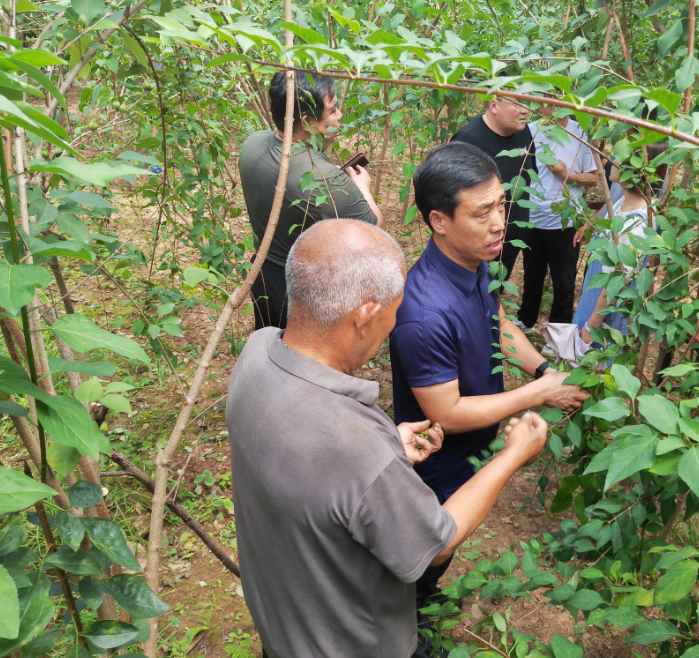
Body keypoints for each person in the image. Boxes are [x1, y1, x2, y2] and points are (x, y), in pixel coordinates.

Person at [227, 219, 548, 658]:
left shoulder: (256, 353)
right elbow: (439, 542)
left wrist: (389, 446)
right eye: (393, 314)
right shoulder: (358, 452)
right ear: (365, 316)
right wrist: (513, 454)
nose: (394, 326)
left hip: (283, 630)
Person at [389, 143, 590, 619]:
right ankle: (404, 622)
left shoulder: (470, 265)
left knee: (441, 553)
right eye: (482, 213)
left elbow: (496, 321)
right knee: (427, 548)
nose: (500, 222)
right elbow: (446, 413)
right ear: (439, 220)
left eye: (500, 205)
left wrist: (542, 370)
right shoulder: (423, 314)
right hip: (437, 460)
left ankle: (420, 598)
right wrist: (541, 392)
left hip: (473, 446)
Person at [238, 71, 384, 330]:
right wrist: (362, 187)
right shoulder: (322, 180)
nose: (340, 116)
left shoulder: (252, 143)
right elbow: (373, 227)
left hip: (261, 274)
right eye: (333, 110)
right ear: (306, 122)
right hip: (302, 290)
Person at [521, 105, 600, 355]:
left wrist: (568, 176)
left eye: (558, 99)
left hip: (565, 220)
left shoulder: (580, 134)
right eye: (546, 99)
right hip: (532, 216)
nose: (552, 106)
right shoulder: (529, 132)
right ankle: (525, 320)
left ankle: (556, 337)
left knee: (563, 281)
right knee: (531, 273)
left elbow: (596, 177)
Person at [572, 142, 669, 344]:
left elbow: (616, 285)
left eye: (619, 157)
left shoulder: (635, 223)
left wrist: (591, 328)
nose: (613, 161)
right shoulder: (622, 204)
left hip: (602, 318)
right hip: (593, 303)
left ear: (633, 170)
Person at [451, 94, 536, 315]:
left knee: (493, 293)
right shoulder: (468, 141)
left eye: (527, 102)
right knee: (469, 296)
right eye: (517, 103)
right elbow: (452, 198)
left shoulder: (523, 131)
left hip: (509, 239)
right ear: (493, 105)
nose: (525, 109)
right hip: (479, 241)